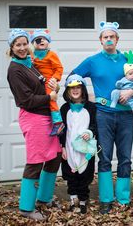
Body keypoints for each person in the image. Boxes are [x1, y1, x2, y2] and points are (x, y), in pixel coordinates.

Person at [68, 21, 133, 214]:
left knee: (125, 158)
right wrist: (88, 98)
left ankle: (123, 198)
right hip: (103, 116)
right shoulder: (92, 61)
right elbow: (72, 78)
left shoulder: (127, 59)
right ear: (101, 40)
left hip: (125, 116)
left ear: (117, 39)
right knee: (104, 158)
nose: (109, 39)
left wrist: (132, 92)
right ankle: (105, 199)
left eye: (112, 36)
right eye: (105, 37)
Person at [7, 28, 62, 220]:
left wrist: (55, 86)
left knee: (55, 156)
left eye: (24, 44)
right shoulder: (15, 70)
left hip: (47, 116)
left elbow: (44, 83)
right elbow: (26, 100)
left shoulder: (30, 63)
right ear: (12, 47)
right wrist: (50, 97)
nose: (22, 48)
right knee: (36, 161)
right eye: (18, 45)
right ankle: (26, 207)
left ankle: (44, 198)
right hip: (33, 117)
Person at [59, 74, 97, 214]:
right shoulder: (64, 109)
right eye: (72, 88)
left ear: (83, 90)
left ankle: (82, 200)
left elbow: (95, 125)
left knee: (84, 174)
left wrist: (90, 132)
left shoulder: (91, 108)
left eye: (78, 88)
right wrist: (62, 147)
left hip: (85, 147)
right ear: (67, 91)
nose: (75, 90)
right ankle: (73, 198)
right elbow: (62, 130)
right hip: (69, 147)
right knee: (71, 173)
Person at [30, 29, 65, 136]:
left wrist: (55, 78)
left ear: (48, 41)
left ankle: (58, 123)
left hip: (49, 81)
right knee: (40, 100)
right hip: (37, 82)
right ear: (33, 44)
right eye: (37, 39)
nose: (41, 41)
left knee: (51, 99)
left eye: (44, 39)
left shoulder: (51, 54)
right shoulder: (32, 55)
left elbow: (59, 68)